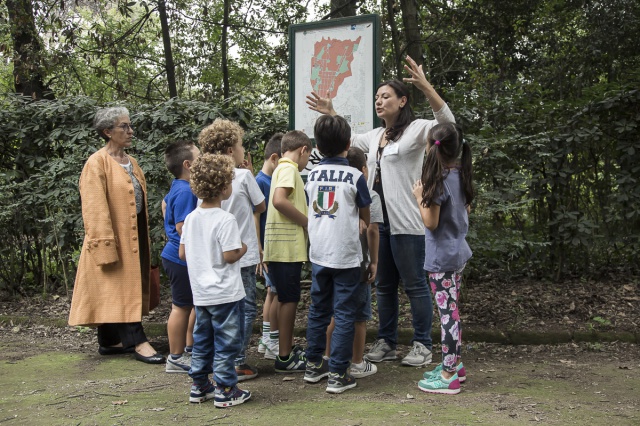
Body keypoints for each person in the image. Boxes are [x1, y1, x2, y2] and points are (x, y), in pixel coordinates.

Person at [306, 55, 456, 367]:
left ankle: (422, 344)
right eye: (376, 97)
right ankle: (386, 341)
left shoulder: (416, 130)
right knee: (384, 286)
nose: (379, 100)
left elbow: (448, 126)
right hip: (379, 224)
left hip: (409, 223)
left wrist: (427, 87)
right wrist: (330, 112)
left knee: (415, 285)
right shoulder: (374, 136)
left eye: (385, 96)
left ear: (402, 101)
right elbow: (344, 139)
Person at [69, 106, 164, 364]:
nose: (130, 131)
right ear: (107, 131)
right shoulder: (96, 163)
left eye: (130, 126)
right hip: (113, 239)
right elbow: (94, 208)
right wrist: (105, 245)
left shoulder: (131, 162)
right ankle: (137, 341)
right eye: (124, 126)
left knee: (113, 290)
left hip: (134, 238)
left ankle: (110, 341)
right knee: (121, 290)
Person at [303, 115, 372, 394]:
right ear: (348, 143)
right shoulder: (355, 176)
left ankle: (312, 365)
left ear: (317, 145)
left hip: (319, 252)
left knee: (318, 310)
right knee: (344, 312)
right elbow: (364, 215)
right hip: (346, 255)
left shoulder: (311, 174)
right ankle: (338, 374)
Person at [179, 153, 251, 407]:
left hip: (201, 294)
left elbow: (183, 253)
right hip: (226, 293)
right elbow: (230, 255)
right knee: (227, 342)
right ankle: (226, 388)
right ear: (223, 188)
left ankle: (199, 385)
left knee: (203, 340)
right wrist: (243, 247)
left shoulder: (191, 218)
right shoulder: (225, 219)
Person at [199, 119, 266, 381]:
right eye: (240, 145)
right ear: (230, 150)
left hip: (216, 254)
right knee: (246, 306)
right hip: (243, 252)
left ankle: (219, 356)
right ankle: (237, 359)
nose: (242, 149)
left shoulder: (206, 179)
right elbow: (260, 206)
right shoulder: (243, 176)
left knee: (222, 305)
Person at [411, 123, 472, 395]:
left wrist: (418, 197)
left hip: (442, 261)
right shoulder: (460, 175)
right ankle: (454, 365)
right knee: (453, 310)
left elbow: (431, 222)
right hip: (457, 253)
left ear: (431, 148)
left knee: (448, 315)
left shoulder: (436, 183)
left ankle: (448, 375)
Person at [323, 146, 382, 379]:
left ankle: (327, 358)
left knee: (335, 312)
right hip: (357, 262)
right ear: (364, 170)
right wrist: (374, 261)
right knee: (359, 315)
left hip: (333, 258)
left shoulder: (336, 188)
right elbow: (374, 229)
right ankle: (357, 362)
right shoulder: (370, 193)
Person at [263, 130, 312, 373]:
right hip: (286, 248)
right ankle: (284, 357)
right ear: (303, 150)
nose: (306, 164)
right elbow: (279, 200)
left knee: (285, 297)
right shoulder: (289, 169)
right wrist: (307, 222)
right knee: (289, 299)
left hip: (282, 247)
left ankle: (287, 349)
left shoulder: (282, 168)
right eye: (308, 157)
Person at [161, 140, 200, 373]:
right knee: (181, 307)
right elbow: (182, 227)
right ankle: (175, 357)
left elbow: (164, 205)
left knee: (189, 305)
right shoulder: (185, 190)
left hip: (179, 257)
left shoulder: (179, 186)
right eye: (199, 157)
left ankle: (188, 350)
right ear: (188, 164)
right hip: (179, 258)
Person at [254, 133, 283, 360]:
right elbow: (255, 216)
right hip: (268, 247)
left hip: (271, 245)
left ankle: (267, 339)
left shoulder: (267, 181)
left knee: (271, 292)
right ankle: (272, 340)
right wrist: (260, 248)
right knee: (275, 292)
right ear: (274, 158)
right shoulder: (262, 182)